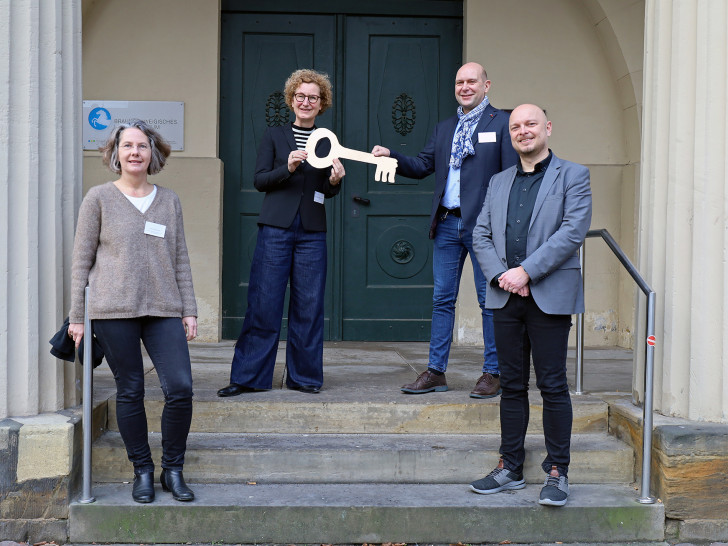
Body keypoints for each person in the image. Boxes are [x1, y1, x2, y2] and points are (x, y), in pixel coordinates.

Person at [68, 120, 198, 504]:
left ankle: (172, 470)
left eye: (142, 146)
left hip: (163, 308)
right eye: (127, 146)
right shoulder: (98, 198)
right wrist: (78, 316)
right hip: (112, 309)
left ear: (153, 153)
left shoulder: (169, 200)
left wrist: (188, 309)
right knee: (131, 389)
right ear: (115, 153)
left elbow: (181, 259)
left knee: (180, 388)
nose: (135, 152)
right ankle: (142, 470)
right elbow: (81, 261)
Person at [469, 104, 592, 506]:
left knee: (553, 386)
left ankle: (558, 472)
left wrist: (526, 272)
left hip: (549, 296)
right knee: (512, 387)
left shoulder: (573, 175)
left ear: (547, 128)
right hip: (505, 296)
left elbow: (573, 230)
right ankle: (510, 467)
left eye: (531, 124)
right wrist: (502, 276)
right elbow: (481, 234)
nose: (523, 131)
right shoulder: (498, 180)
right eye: (516, 126)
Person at [372, 62, 517, 397]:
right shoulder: (445, 127)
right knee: (442, 299)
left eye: (471, 81)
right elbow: (423, 165)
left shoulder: (502, 123)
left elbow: (510, 176)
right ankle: (436, 371)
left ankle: (492, 373)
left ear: (486, 84)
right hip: (448, 222)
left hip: (484, 228)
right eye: (459, 82)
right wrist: (391, 155)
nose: (464, 87)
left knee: (488, 300)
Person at [217, 69, 344, 398]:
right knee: (263, 302)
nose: (305, 102)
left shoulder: (328, 140)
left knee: (309, 305)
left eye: (313, 98)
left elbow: (328, 191)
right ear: (291, 100)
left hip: (312, 231)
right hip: (275, 228)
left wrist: (335, 182)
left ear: (321, 104)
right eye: (300, 96)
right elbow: (260, 180)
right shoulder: (275, 136)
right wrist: (285, 168)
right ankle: (248, 377)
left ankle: (303, 377)